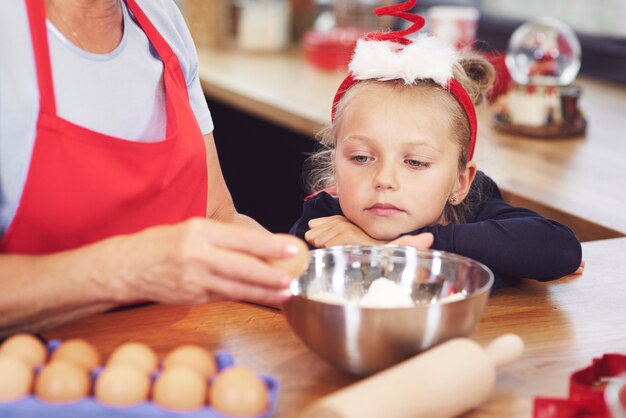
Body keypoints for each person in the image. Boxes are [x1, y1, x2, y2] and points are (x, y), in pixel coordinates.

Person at [290, 1, 582, 290]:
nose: (384, 180)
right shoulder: (323, 220)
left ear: (460, 181)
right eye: (362, 158)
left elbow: (561, 251)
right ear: (335, 168)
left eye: (415, 162)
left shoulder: (474, 206)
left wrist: (394, 249)